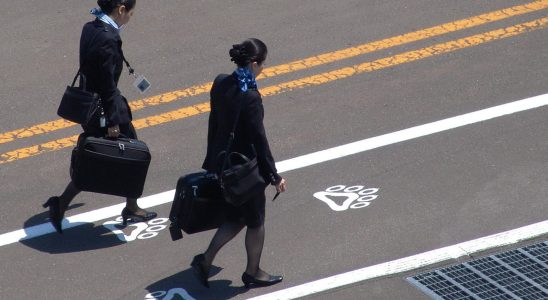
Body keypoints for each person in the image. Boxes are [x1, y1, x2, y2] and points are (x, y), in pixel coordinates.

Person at [43, 0, 156, 234]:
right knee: (123, 154)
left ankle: (128, 205)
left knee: (101, 155)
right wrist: (113, 120)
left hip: (90, 104)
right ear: (121, 9)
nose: (130, 18)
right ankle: (63, 203)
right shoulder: (109, 38)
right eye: (130, 13)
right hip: (105, 108)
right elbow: (107, 84)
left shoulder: (90, 27)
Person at [192, 38, 287, 288]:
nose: (263, 68)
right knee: (255, 221)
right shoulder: (251, 97)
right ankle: (252, 272)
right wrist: (274, 175)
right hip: (246, 170)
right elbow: (259, 140)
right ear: (254, 63)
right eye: (262, 64)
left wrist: (212, 160)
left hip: (225, 165)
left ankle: (205, 260)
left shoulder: (221, 82)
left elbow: (214, 123)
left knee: (236, 218)